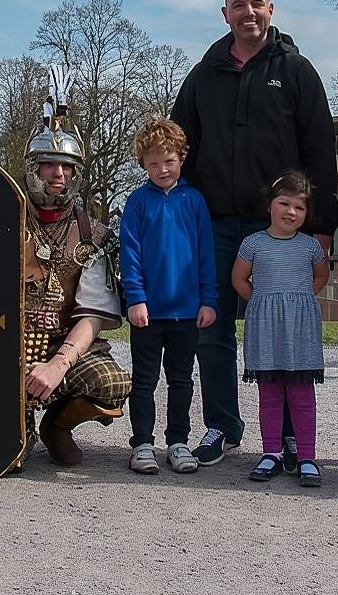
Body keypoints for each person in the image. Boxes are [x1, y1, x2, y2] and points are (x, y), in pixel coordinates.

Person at [172, 0, 338, 469]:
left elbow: (321, 153)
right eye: (238, 5)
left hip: (282, 232)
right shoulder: (203, 76)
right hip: (215, 225)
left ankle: (288, 437)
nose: (249, 12)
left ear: (271, 9)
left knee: (284, 331)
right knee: (212, 330)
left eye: (257, 4)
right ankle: (222, 425)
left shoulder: (296, 71)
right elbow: (180, 149)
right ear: (225, 14)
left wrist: (322, 224)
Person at [0, 82, 133, 467]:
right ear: (32, 168)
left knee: (112, 383)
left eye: (67, 166)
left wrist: (57, 365)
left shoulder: (93, 234)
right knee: (10, 459)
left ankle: (56, 426)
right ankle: (17, 425)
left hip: (61, 344)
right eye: (49, 164)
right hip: (5, 345)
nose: (59, 174)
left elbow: (92, 316)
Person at [119, 118, 217, 475]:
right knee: (144, 380)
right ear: (143, 164)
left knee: (181, 379)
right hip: (148, 310)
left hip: (187, 311)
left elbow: (207, 254)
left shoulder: (194, 202)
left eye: (169, 160)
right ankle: (142, 443)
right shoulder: (136, 203)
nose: (162, 169)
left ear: (182, 158)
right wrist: (135, 298)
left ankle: (177, 441)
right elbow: (129, 254)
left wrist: (209, 300)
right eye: (153, 162)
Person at [232, 171, 330, 487]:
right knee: (270, 393)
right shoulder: (253, 244)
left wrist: (297, 301)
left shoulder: (311, 247)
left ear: (307, 213)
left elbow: (320, 277)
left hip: (300, 329)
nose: (291, 212)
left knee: (302, 394)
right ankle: (271, 452)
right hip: (266, 327)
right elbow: (238, 279)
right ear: (270, 205)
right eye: (284, 203)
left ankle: (307, 457)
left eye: (299, 207)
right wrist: (262, 301)